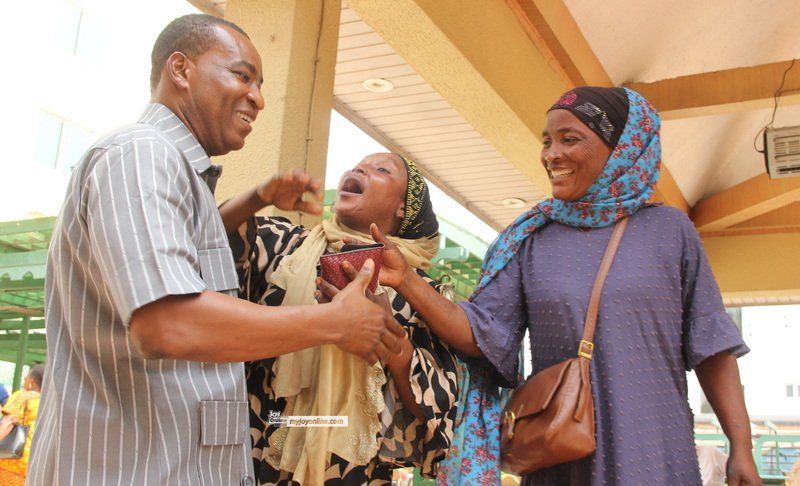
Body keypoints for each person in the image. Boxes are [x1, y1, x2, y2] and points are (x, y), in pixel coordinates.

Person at [28, 14, 401, 486]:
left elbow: (180, 257)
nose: (259, 98)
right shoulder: (140, 154)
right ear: (180, 70)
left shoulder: (176, 172)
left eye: (260, 84)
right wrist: (333, 323)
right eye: (242, 76)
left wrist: (256, 197)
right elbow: (166, 321)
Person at [372, 87, 762, 485]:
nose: (550, 154)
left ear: (621, 148)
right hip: (563, 458)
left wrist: (741, 446)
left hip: (656, 453)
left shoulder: (670, 230)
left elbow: (711, 346)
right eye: (547, 141)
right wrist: (406, 280)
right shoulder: (531, 239)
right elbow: (482, 334)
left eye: (569, 139)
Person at [219, 152, 459, 485]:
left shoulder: (417, 289)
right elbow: (210, 238)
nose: (360, 168)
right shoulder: (285, 245)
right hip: (261, 440)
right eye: (359, 163)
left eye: (381, 170)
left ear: (402, 208)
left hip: (354, 470)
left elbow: (438, 407)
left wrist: (391, 342)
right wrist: (257, 196)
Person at [0, 364, 44, 486]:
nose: (24, 379)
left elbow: (8, 422)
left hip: (11, 464)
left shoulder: (23, 396)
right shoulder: (50, 402)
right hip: (35, 466)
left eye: (27, 376)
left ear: (32, 381)